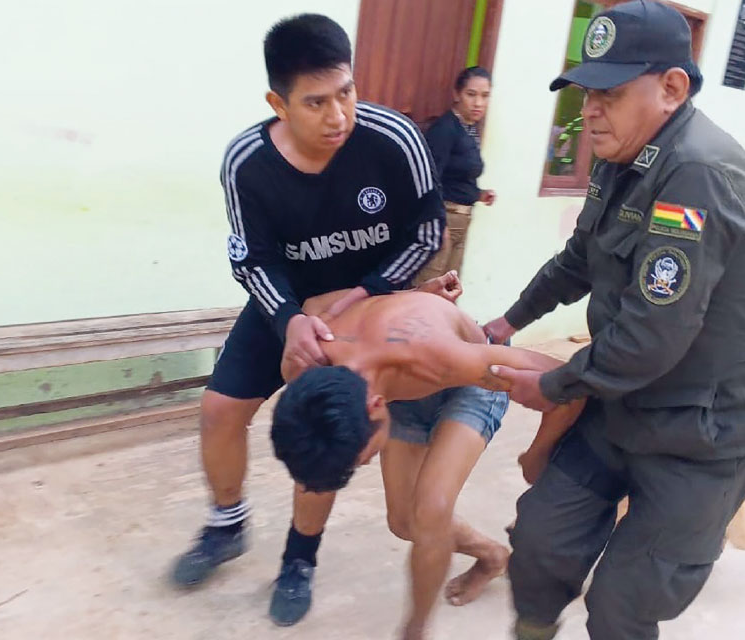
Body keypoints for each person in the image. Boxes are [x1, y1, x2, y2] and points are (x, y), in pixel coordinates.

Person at [478, 2, 745, 638]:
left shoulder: (698, 173)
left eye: (610, 94)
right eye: (587, 93)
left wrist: (554, 385)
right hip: (628, 405)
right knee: (539, 543)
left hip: (707, 431)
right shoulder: (624, 157)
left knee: (623, 603)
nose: (590, 110)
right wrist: (508, 323)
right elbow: (578, 260)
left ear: (672, 88)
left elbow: (651, 336)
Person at [169, 14, 445, 628]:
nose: (338, 116)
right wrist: (290, 317)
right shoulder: (247, 162)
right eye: (315, 102)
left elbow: (429, 232)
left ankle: (300, 557)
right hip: (285, 305)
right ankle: (225, 523)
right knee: (219, 409)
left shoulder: (395, 139)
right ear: (278, 102)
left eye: (346, 92)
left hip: (369, 309)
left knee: (326, 426)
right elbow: (252, 256)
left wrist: (366, 290)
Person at [270, 274, 585, 640]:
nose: (367, 463)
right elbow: (313, 304)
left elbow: (569, 384)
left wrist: (537, 456)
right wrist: (413, 294)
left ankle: (415, 632)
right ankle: (493, 556)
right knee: (404, 523)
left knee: (431, 510)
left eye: (362, 459)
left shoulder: (443, 357)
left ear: (375, 406)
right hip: (403, 387)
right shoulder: (305, 357)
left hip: (467, 384)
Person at [413, 66, 496, 286]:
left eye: (485, 96)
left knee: (448, 290)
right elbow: (429, 179)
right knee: (427, 290)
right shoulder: (445, 129)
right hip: (444, 223)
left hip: (462, 221)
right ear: (456, 94)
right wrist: (437, 224)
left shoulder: (468, 129)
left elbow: (456, 176)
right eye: (471, 94)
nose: (478, 103)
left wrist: (478, 194)